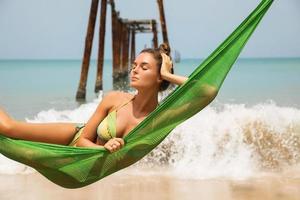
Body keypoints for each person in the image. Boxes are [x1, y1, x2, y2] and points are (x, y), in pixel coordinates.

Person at [0, 43, 188, 153]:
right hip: (72, 139)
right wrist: (103, 149)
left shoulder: (162, 117)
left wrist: (167, 74)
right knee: (8, 128)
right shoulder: (115, 99)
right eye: (134, 65)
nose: (134, 70)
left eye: (144, 67)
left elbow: (205, 91)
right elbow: (82, 140)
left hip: (81, 162)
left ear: (159, 77)